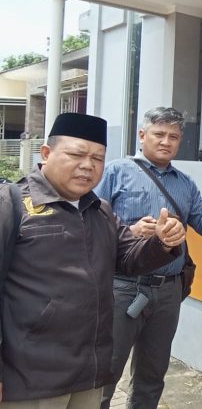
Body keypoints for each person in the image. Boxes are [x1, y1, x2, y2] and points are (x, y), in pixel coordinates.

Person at [0, 113, 185, 408]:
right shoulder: (12, 204)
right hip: (29, 379)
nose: (88, 165)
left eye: (98, 158)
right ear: (46, 153)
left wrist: (162, 242)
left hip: (89, 373)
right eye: (76, 154)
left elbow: (129, 258)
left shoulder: (100, 210)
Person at [95, 107, 202, 409]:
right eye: (159, 134)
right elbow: (89, 219)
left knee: (153, 374)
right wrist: (129, 230)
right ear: (142, 135)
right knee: (106, 373)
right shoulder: (115, 172)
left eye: (173, 136)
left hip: (168, 290)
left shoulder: (185, 183)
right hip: (122, 286)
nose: (166, 141)